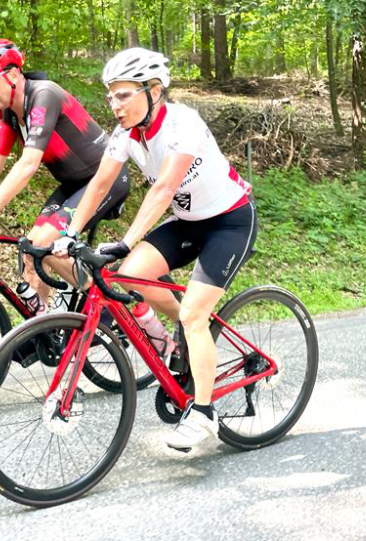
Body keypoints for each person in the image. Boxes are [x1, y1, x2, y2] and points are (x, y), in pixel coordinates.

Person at [52, 47, 257, 453]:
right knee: (133, 276)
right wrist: (69, 233)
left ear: (154, 90)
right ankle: (184, 337)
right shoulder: (126, 134)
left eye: (123, 95)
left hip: (230, 221)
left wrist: (127, 239)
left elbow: (163, 188)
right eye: (110, 95)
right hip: (188, 223)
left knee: (195, 316)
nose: (114, 104)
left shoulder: (184, 123)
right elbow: (98, 185)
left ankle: (203, 413)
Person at [0, 38, 129, 311]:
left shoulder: (43, 96)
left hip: (106, 180)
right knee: (31, 252)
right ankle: (44, 331)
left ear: (12, 75)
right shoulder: (11, 114)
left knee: (43, 243)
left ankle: (106, 312)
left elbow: (28, 164)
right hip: (74, 184)